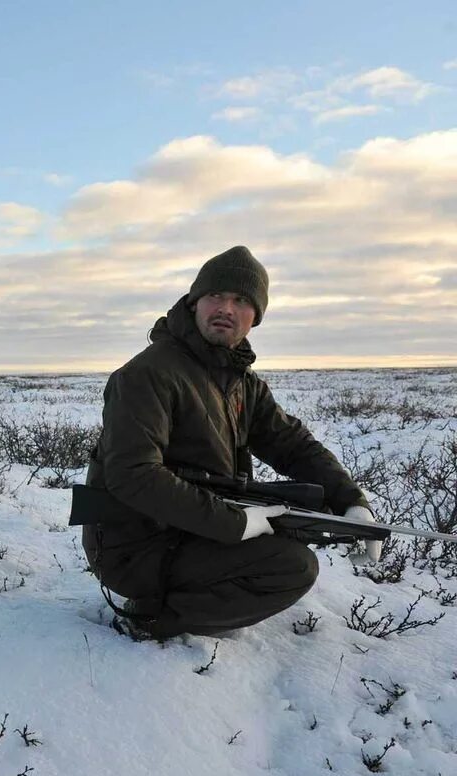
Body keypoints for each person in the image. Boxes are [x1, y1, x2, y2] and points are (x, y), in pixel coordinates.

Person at [82, 246, 382, 639]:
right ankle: (150, 620)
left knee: (290, 527)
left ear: (255, 317)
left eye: (241, 300)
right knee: (291, 567)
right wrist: (234, 523)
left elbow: (292, 445)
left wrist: (351, 503)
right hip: (132, 544)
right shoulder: (147, 374)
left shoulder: (241, 382)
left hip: (186, 529)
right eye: (215, 296)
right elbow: (132, 475)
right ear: (194, 304)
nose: (226, 307)